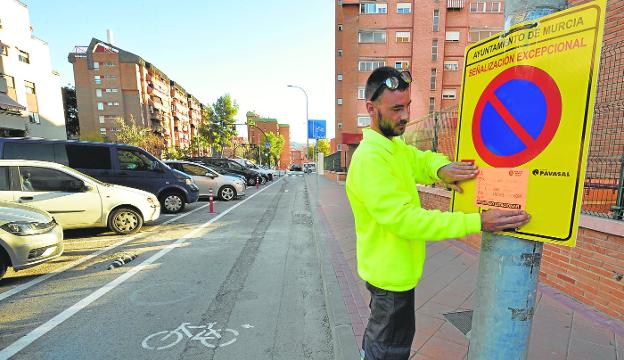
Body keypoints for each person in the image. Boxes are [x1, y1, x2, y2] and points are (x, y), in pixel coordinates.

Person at [345, 66, 531, 360]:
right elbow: (406, 221)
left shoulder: (393, 146)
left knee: (384, 342)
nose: (405, 115)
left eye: (407, 106)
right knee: (388, 349)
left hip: (396, 275)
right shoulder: (371, 159)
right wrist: (477, 221)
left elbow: (418, 160)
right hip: (389, 279)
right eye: (396, 108)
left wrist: (441, 169)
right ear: (371, 108)